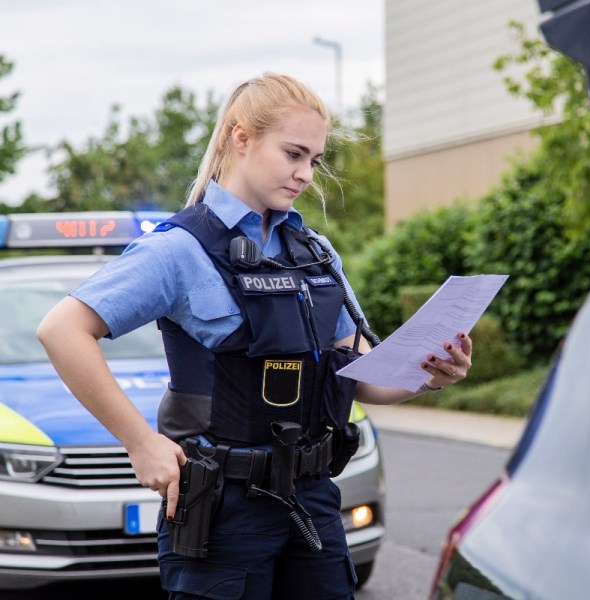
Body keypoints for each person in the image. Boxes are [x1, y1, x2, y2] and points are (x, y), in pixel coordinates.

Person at [37, 72, 473, 600]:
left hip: (311, 500)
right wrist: (140, 442)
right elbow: (62, 330)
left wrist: (426, 374)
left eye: (314, 160)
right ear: (240, 137)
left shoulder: (314, 252)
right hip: (222, 510)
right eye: (293, 154)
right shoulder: (179, 249)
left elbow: (363, 375)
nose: (306, 174)